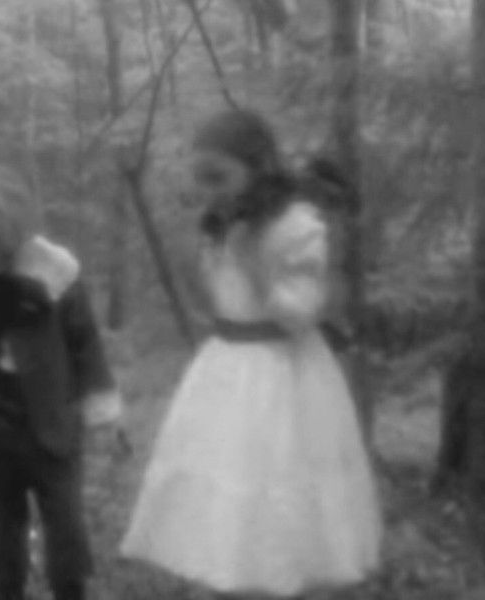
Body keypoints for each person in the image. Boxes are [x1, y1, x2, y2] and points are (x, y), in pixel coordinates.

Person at [120, 112, 382, 597]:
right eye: (201, 179)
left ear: (258, 166)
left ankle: (277, 581)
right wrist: (200, 261)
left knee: (276, 488)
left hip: (283, 376)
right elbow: (219, 306)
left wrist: (255, 264)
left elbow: (301, 314)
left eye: (218, 177)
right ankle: (232, 582)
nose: (208, 191)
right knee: (224, 493)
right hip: (225, 371)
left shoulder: (295, 226)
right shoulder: (224, 223)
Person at [0, 163, 127, 600]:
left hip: (51, 423)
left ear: (18, 232)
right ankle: (8, 588)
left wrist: (100, 406)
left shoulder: (57, 273)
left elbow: (85, 343)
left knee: (65, 522)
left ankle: (69, 589)